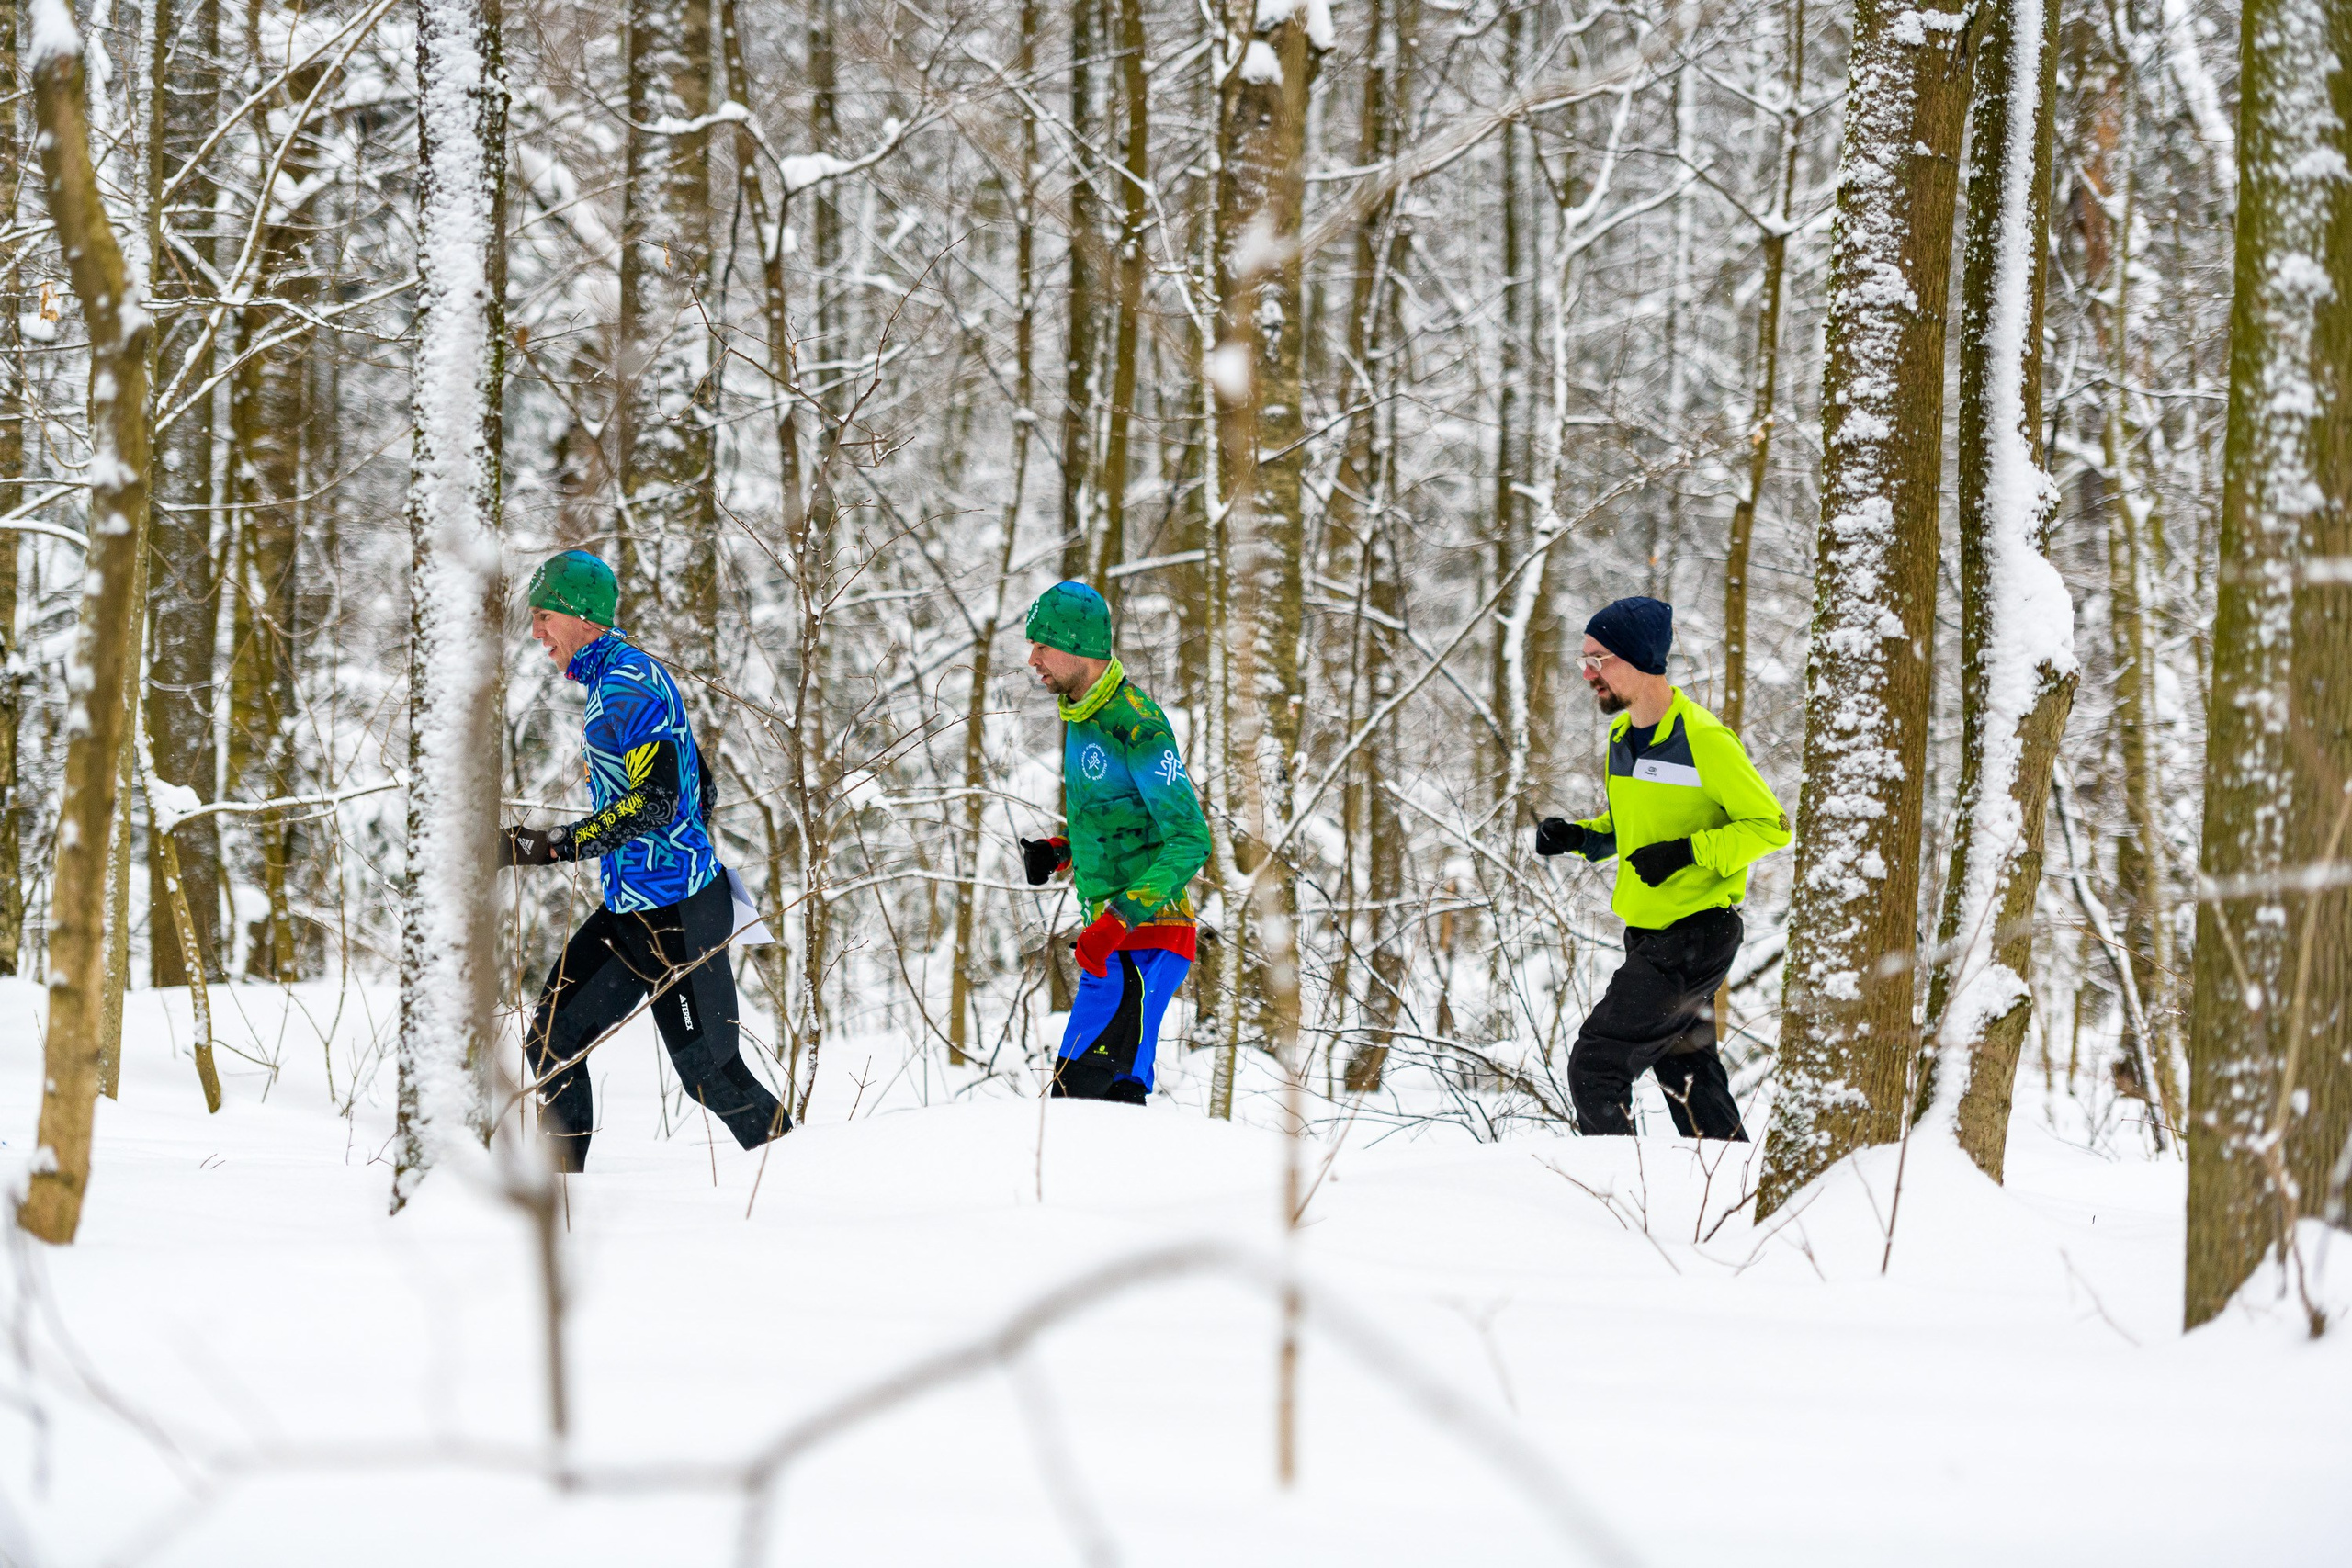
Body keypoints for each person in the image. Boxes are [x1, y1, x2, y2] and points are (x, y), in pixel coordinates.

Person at [499, 549, 787, 1171]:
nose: (536, 633)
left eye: (545, 616)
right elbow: (697, 785)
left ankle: (799, 1183)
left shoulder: (627, 685)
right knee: (551, 1040)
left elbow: (655, 802)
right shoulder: (616, 680)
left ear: (582, 617)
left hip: (679, 916)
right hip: (638, 911)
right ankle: (564, 1196)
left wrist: (542, 847)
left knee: (711, 1074)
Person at [1534, 595, 1790, 1140]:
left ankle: (1616, 1205)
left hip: (1694, 935)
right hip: (1650, 934)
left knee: (1597, 1064)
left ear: (1640, 658)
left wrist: (1688, 852)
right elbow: (1635, 828)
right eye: (1584, 659)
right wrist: (1583, 837)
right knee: (1692, 1083)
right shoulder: (1623, 738)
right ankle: (1727, 1196)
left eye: (1598, 658)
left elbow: (1771, 826)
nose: (1587, 672)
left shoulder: (1703, 739)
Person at [1017, 581, 1212, 1103]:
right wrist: (1062, 851)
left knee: (1080, 1103)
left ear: (1079, 646)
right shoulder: (1082, 717)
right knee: (1112, 1096)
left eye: (1042, 645)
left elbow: (1190, 839)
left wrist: (1118, 919)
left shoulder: (1138, 726)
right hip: (1115, 942)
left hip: (1146, 939)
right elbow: (1122, 823)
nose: (1032, 658)